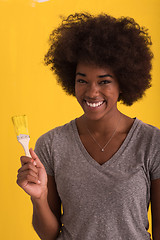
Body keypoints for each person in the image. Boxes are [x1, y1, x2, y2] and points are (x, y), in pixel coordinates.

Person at [17, 13, 160, 240]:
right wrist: (39, 197)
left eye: (104, 81)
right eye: (82, 80)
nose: (92, 92)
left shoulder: (152, 143)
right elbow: (50, 235)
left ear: (123, 82)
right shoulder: (51, 144)